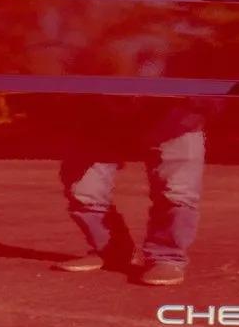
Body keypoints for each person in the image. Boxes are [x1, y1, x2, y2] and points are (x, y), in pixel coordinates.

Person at [55, 105, 206, 286]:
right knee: (83, 189)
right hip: (100, 107)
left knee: (177, 191)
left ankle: (167, 258)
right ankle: (111, 251)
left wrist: (201, 106)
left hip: (176, 108)